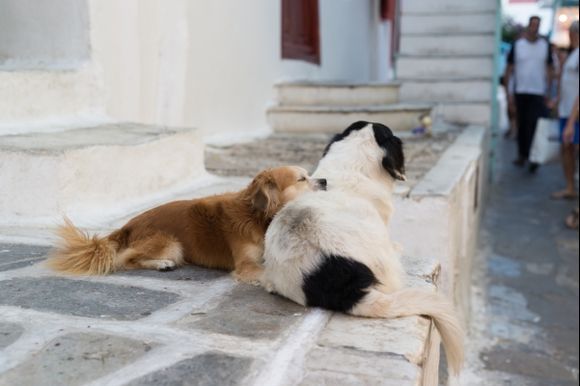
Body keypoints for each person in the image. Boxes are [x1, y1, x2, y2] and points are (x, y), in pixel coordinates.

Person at [504, 16, 554, 173]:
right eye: (532, 25)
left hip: (537, 91)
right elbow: (510, 69)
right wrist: (508, 92)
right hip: (521, 90)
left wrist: (548, 89)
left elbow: (549, 68)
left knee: (534, 124)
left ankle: (533, 156)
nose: (534, 28)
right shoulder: (518, 45)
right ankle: (522, 154)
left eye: (537, 25)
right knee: (522, 124)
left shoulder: (544, 46)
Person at [550, 21, 579, 201]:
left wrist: (571, 121)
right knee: (566, 149)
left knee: (571, 149)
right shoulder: (572, 54)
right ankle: (570, 187)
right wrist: (558, 101)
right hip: (567, 111)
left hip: (574, 114)